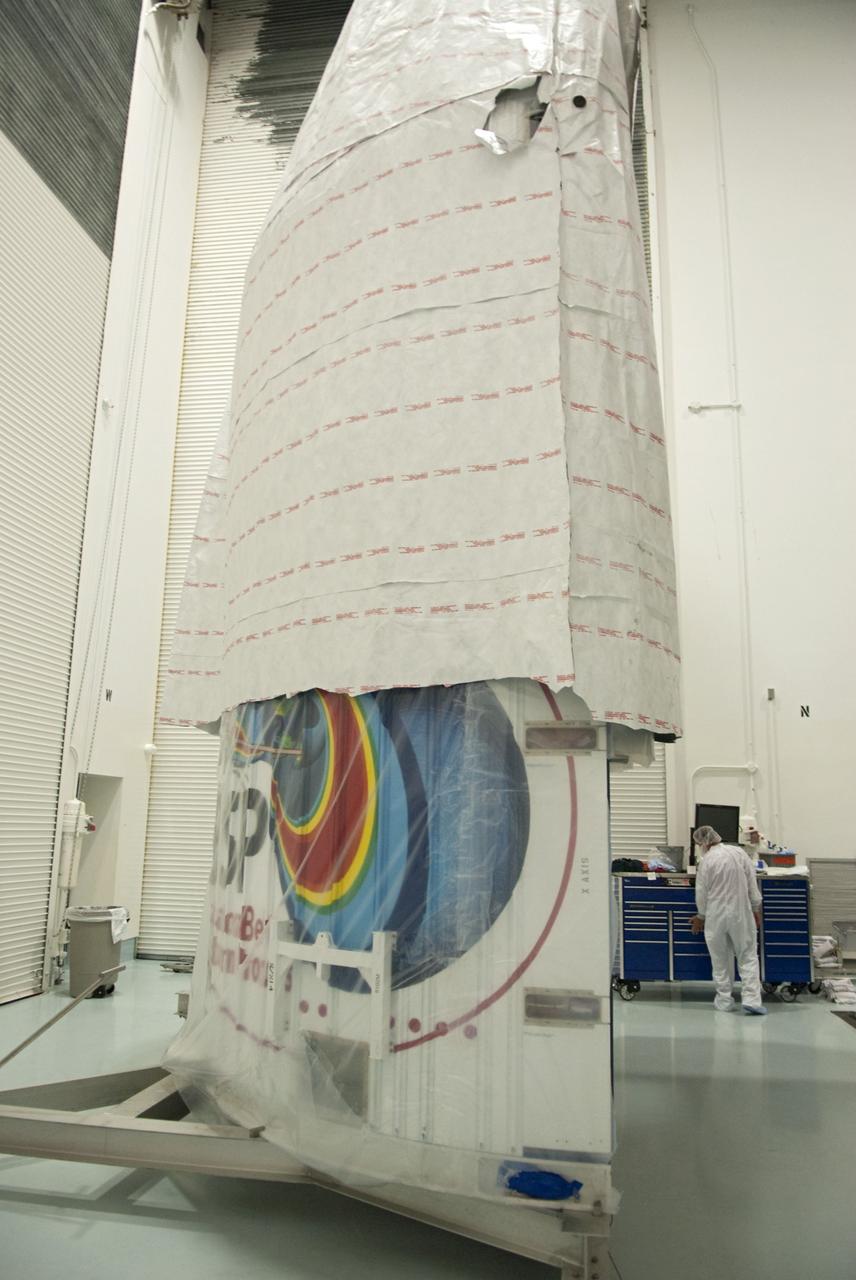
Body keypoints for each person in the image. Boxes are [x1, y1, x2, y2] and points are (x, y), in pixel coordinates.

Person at [689, 825, 767, 1015]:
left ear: (702, 843)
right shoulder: (739, 853)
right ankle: (752, 1000)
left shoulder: (706, 861)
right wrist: (756, 907)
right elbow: (751, 881)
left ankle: (724, 1001)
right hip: (741, 913)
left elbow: (701, 892)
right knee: (747, 955)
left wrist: (701, 916)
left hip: (716, 916)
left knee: (720, 960)